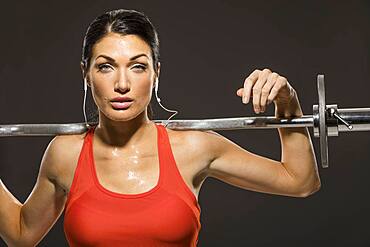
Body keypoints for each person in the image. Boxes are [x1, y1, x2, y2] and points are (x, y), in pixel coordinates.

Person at [0, 9, 321, 247]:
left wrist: (288, 103)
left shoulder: (194, 148)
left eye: (138, 66)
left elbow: (300, 181)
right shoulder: (65, 154)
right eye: (106, 66)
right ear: (86, 73)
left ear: (156, 73)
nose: (122, 84)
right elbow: (20, 233)